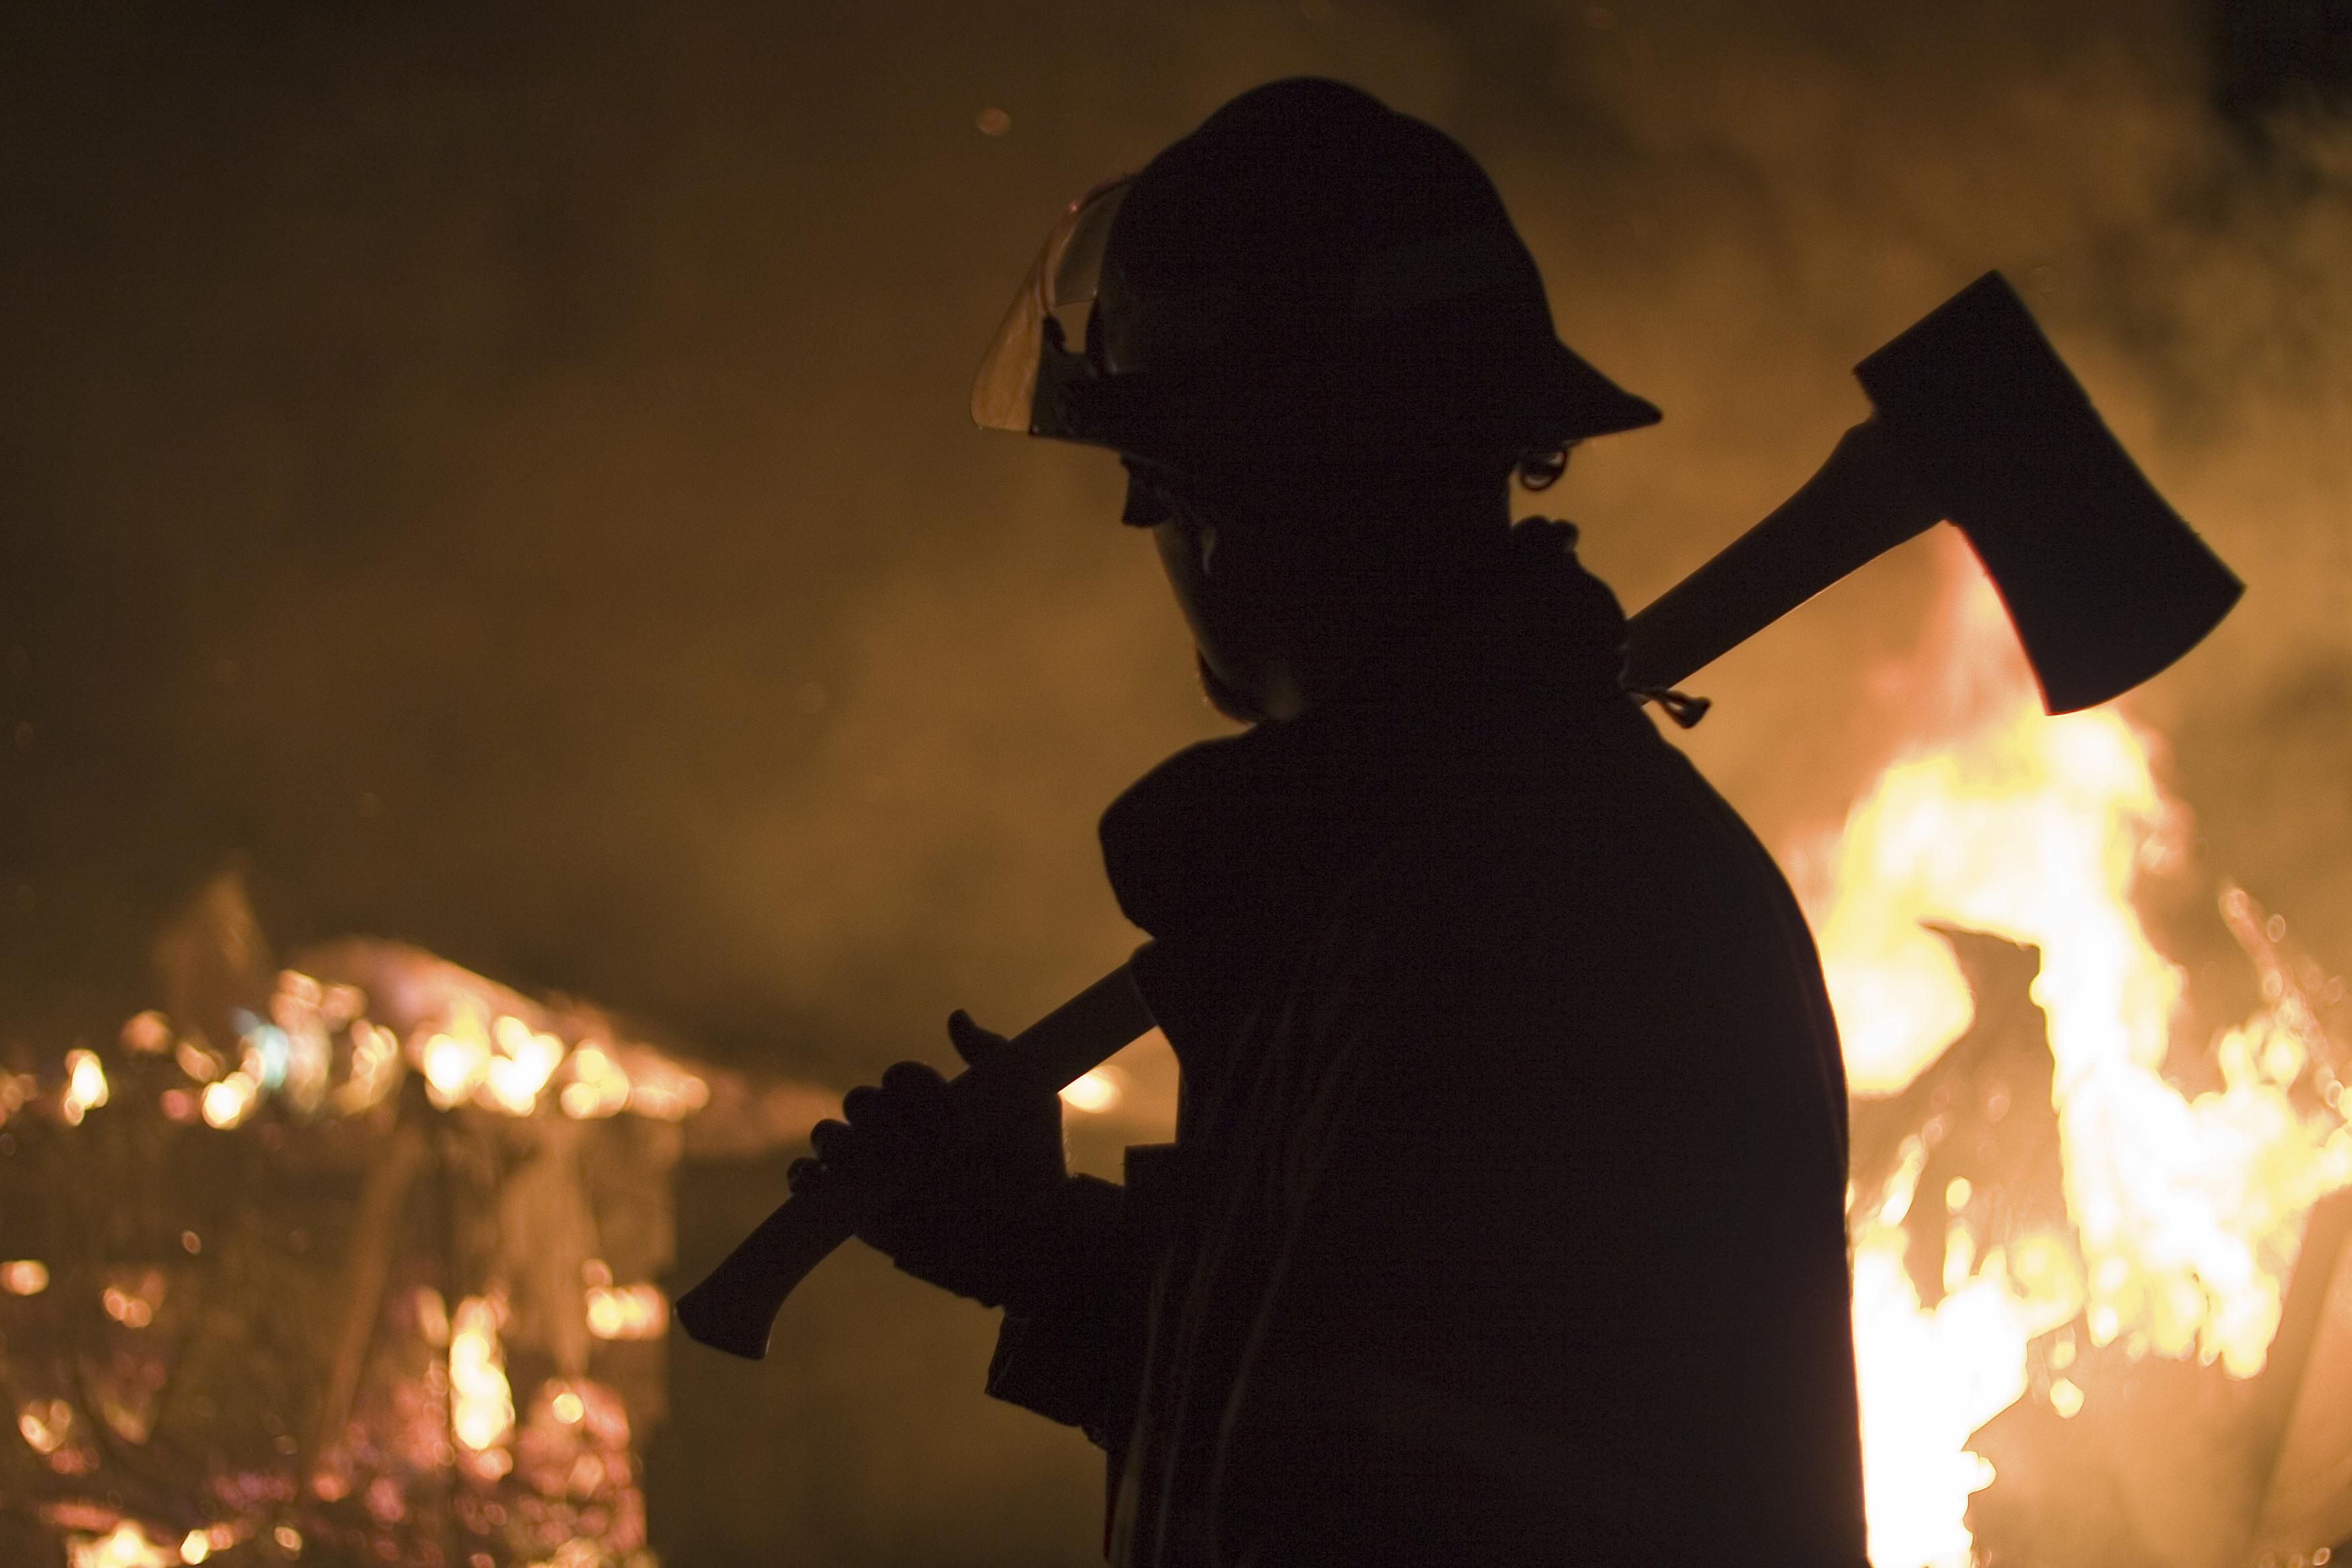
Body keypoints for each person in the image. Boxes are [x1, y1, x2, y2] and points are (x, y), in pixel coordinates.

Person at [797, 78, 1868, 1567]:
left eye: (1144, 480)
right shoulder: (1439, 873)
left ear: (1204, 496)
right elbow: (1345, 1412)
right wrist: (1046, 1262)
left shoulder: (1499, 922)